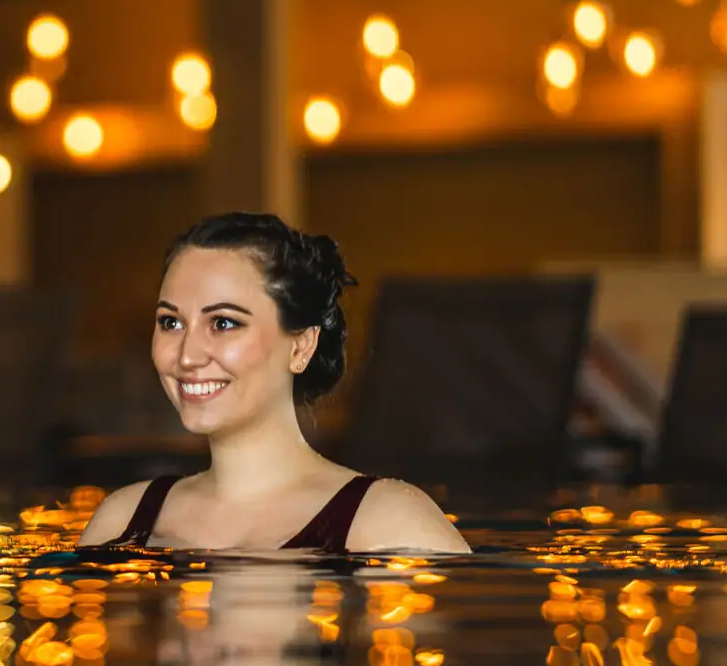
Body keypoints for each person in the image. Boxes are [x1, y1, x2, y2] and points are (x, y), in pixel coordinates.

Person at [78, 212, 469, 554]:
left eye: (224, 323)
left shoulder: (388, 523)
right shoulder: (121, 521)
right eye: (171, 322)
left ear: (301, 345)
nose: (186, 356)